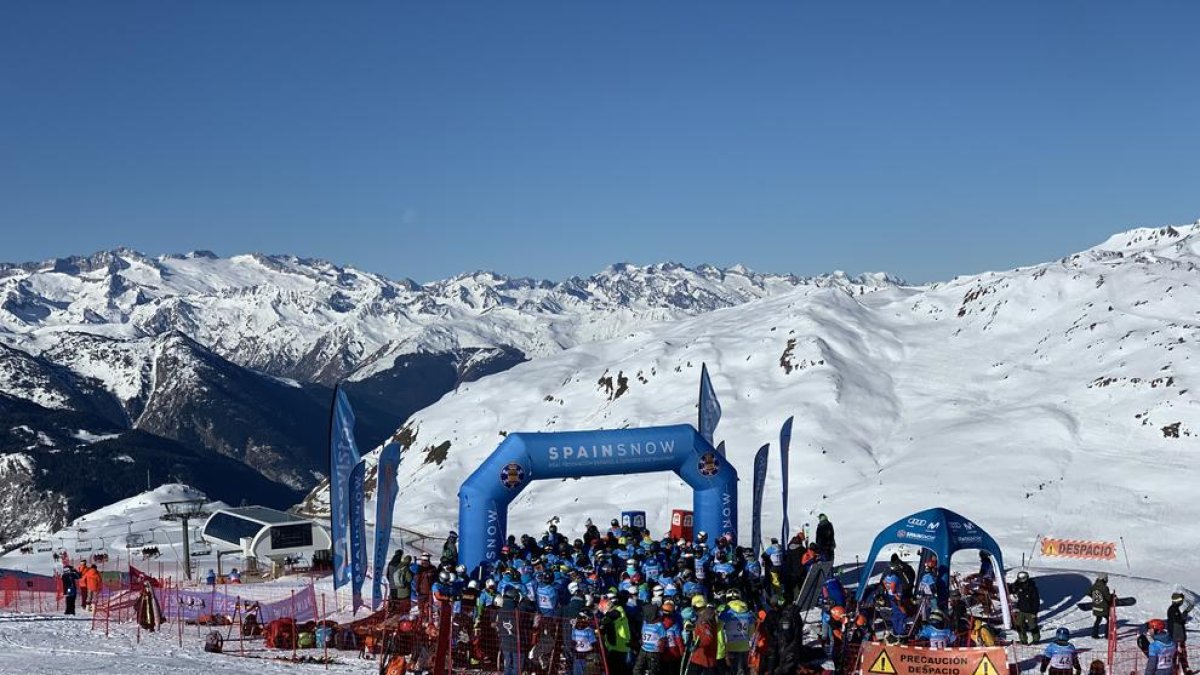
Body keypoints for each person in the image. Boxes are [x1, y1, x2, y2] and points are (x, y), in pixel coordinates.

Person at [633, 604, 667, 675]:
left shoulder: (659, 625)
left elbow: (663, 639)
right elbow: (643, 634)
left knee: (653, 670)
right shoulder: (645, 623)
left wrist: (660, 650)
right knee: (637, 668)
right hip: (644, 650)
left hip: (653, 651)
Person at [1011, 570, 1042, 644]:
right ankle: (1023, 640)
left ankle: (1036, 640)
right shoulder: (1018, 585)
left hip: (1030, 611)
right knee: (1019, 625)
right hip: (1021, 609)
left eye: (1023, 578)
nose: (1021, 579)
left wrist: (1034, 612)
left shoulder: (1032, 588)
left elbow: (1036, 601)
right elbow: (1013, 588)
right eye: (1020, 577)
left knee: (1032, 626)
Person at [1167, 592, 1194, 675]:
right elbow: (1178, 621)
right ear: (1177, 600)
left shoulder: (1174, 609)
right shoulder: (1173, 609)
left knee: (1182, 653)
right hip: (1176, 636)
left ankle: (1185, 668)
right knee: (1176, 653)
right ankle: (1174, 670)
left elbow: (1179, 620)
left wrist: (1185, 613)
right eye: (1181, 600)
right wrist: (1185, 614)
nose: (1182, 602)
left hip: (1178, 635)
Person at [1088, 574, 1114, 639]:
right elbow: (1108, 598)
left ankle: (1094, 634)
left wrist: (1095, 598)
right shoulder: (1104, 587)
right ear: (1104, 579)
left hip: (1096, 607)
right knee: (1109, 620)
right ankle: (1107, 635)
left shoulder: (1094, 586)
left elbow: (1088, 592)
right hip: (1103, 608)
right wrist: (1112, 596)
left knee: (1098, 619)